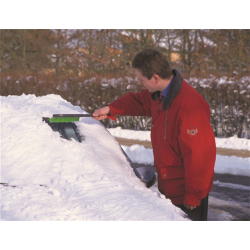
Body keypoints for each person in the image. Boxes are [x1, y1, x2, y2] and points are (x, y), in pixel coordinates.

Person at [93, 48, 216, 221]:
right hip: (169, 190)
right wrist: (111, 108)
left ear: (155, 78)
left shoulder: (189, 106)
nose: (141, 84)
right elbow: (138, 101)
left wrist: (193, 195)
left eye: (142, 80)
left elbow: (200, 156)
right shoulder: (159, 95)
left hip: (187, 196)